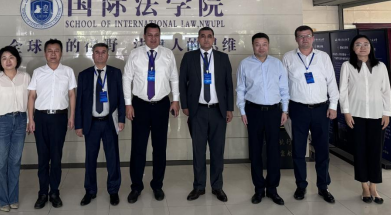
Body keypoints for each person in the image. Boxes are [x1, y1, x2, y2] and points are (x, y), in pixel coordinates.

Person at [123, 23, 180, 204]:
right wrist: (128, 103)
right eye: (150, 35)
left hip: (161, 105)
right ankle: (136, 187)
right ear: (144, 36)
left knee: (159, 147)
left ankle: (157, 185)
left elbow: (174, 78)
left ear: (160, 36)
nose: (153, 38)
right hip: (139, 105)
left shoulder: (168, 54)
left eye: (156, 35)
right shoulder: (135, 54)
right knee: (138, 148)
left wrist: (176, 100)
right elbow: (127, 78)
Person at [283, 26, 339, 204]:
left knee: (322, 149)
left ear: (313, 38)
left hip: (321, 109)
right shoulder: (288, 57)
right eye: (301, 36)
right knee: (298, 150)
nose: (305, 39)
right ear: (296, 39)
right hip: (297, 109)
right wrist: (285, 109)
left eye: (308, 36)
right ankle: (301, 185)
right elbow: (283, 86)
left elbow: (332, 82)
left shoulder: (323, 57)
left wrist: (333, 106)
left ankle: (323, 186)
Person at [179, 27, 234, 203]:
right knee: (199, 151)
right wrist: (185, 105)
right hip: (198, 111)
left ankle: (217, 186)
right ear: (198, 39)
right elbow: (182, 82)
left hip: (218, 110)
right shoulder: (189, 57)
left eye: (209, 36)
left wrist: (229, 108)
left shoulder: (222, 58)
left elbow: (228, 84)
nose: (206, 39)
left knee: (217, 150)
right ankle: (199, 186)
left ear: (213, 39)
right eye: (202, 36)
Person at [236, 33, 290, 206]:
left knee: (274, 150)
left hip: (274, 111)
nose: (261, 47)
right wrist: (242, 111)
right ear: (253, 46)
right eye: (257, 44)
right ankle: (259, 188)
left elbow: (284, 88)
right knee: (255, 150)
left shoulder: (277, 64)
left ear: (268, 45)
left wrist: (285, 110)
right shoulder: (245, 64)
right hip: (253, 111)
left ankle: (272, 188)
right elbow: (240, 89)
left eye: (264, 44)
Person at [339, 35, 391, 205]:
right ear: (352, 48)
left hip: (377, 115)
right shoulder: (347, 66)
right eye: (358, 44)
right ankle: (364, 186)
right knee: (360, 151)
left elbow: (386, 91)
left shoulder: (380, 66)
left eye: (366, 44)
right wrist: (346, 112)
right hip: (356, 115)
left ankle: (374, 186)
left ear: (371, 47)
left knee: (376, 151)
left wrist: (386, 113)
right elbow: (343, 91)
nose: (362, 47)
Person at [27, 39, 77, 210]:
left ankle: (54, 192)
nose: (53, 54)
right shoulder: (38, 72)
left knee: (56, 157)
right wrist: (31, 119)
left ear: (61, 53)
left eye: (56, 50)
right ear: (45, 53)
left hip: (59, 118)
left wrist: (72, 116)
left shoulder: (68, 71)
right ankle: (42, 193)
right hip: (41, 118)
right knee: (42, 157)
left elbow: (72, 95)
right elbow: (31, 96)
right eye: (50, 50)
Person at [75, 43, 126, 207]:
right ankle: (90, 191)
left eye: (103, 52)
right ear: (92, 55)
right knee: (90, 159)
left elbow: (121, 98)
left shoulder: (115, 73)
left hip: (110, 122)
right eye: (97, 52)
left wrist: (121, 119)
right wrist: (78, 124)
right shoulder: (84, 75)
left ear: (107, 55)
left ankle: (113, 190)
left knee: (113, 158)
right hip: (91, 124)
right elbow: (79, 102)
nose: (100, 55)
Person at [0, 46, 31, 212]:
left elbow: (30, 100)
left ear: (17, 59)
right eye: (4, 58)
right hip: (2, 122)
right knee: (0, 162)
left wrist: (28, 120)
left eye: (11, 57)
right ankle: (2, 199)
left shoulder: (25, 77)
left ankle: (13, 198)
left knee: (15, 161)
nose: (8, 61)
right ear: (0, 62)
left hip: (20, 120)